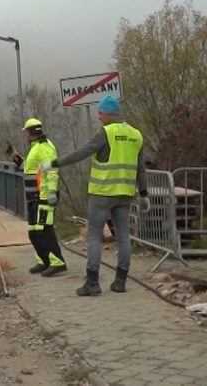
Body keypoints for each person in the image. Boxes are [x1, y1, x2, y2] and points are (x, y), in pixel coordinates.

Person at [42, 95, 147, 296]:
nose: (98, 117)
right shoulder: (137, 135)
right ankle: (120, 281)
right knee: (124, 236)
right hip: (125, 194)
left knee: (94, 237)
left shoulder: (106, 133)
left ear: (109, 113)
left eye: (100, 113)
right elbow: (141, 168)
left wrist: (54, 164)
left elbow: (83, 152)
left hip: (102, 194)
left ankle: (92, 283)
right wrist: (144, 193)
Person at [20, 118, 66, 277]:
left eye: (26, 132)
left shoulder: (45, 147)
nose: (25, 135)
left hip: (44, 196)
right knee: (34, 231)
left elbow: (52, 171)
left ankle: (57, 262)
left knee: (45, 230)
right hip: (33, 197)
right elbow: (30, 168)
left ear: (30, 132)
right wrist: (16, 159)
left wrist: (52, 192)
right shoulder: (35, 148)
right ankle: (44, 260)